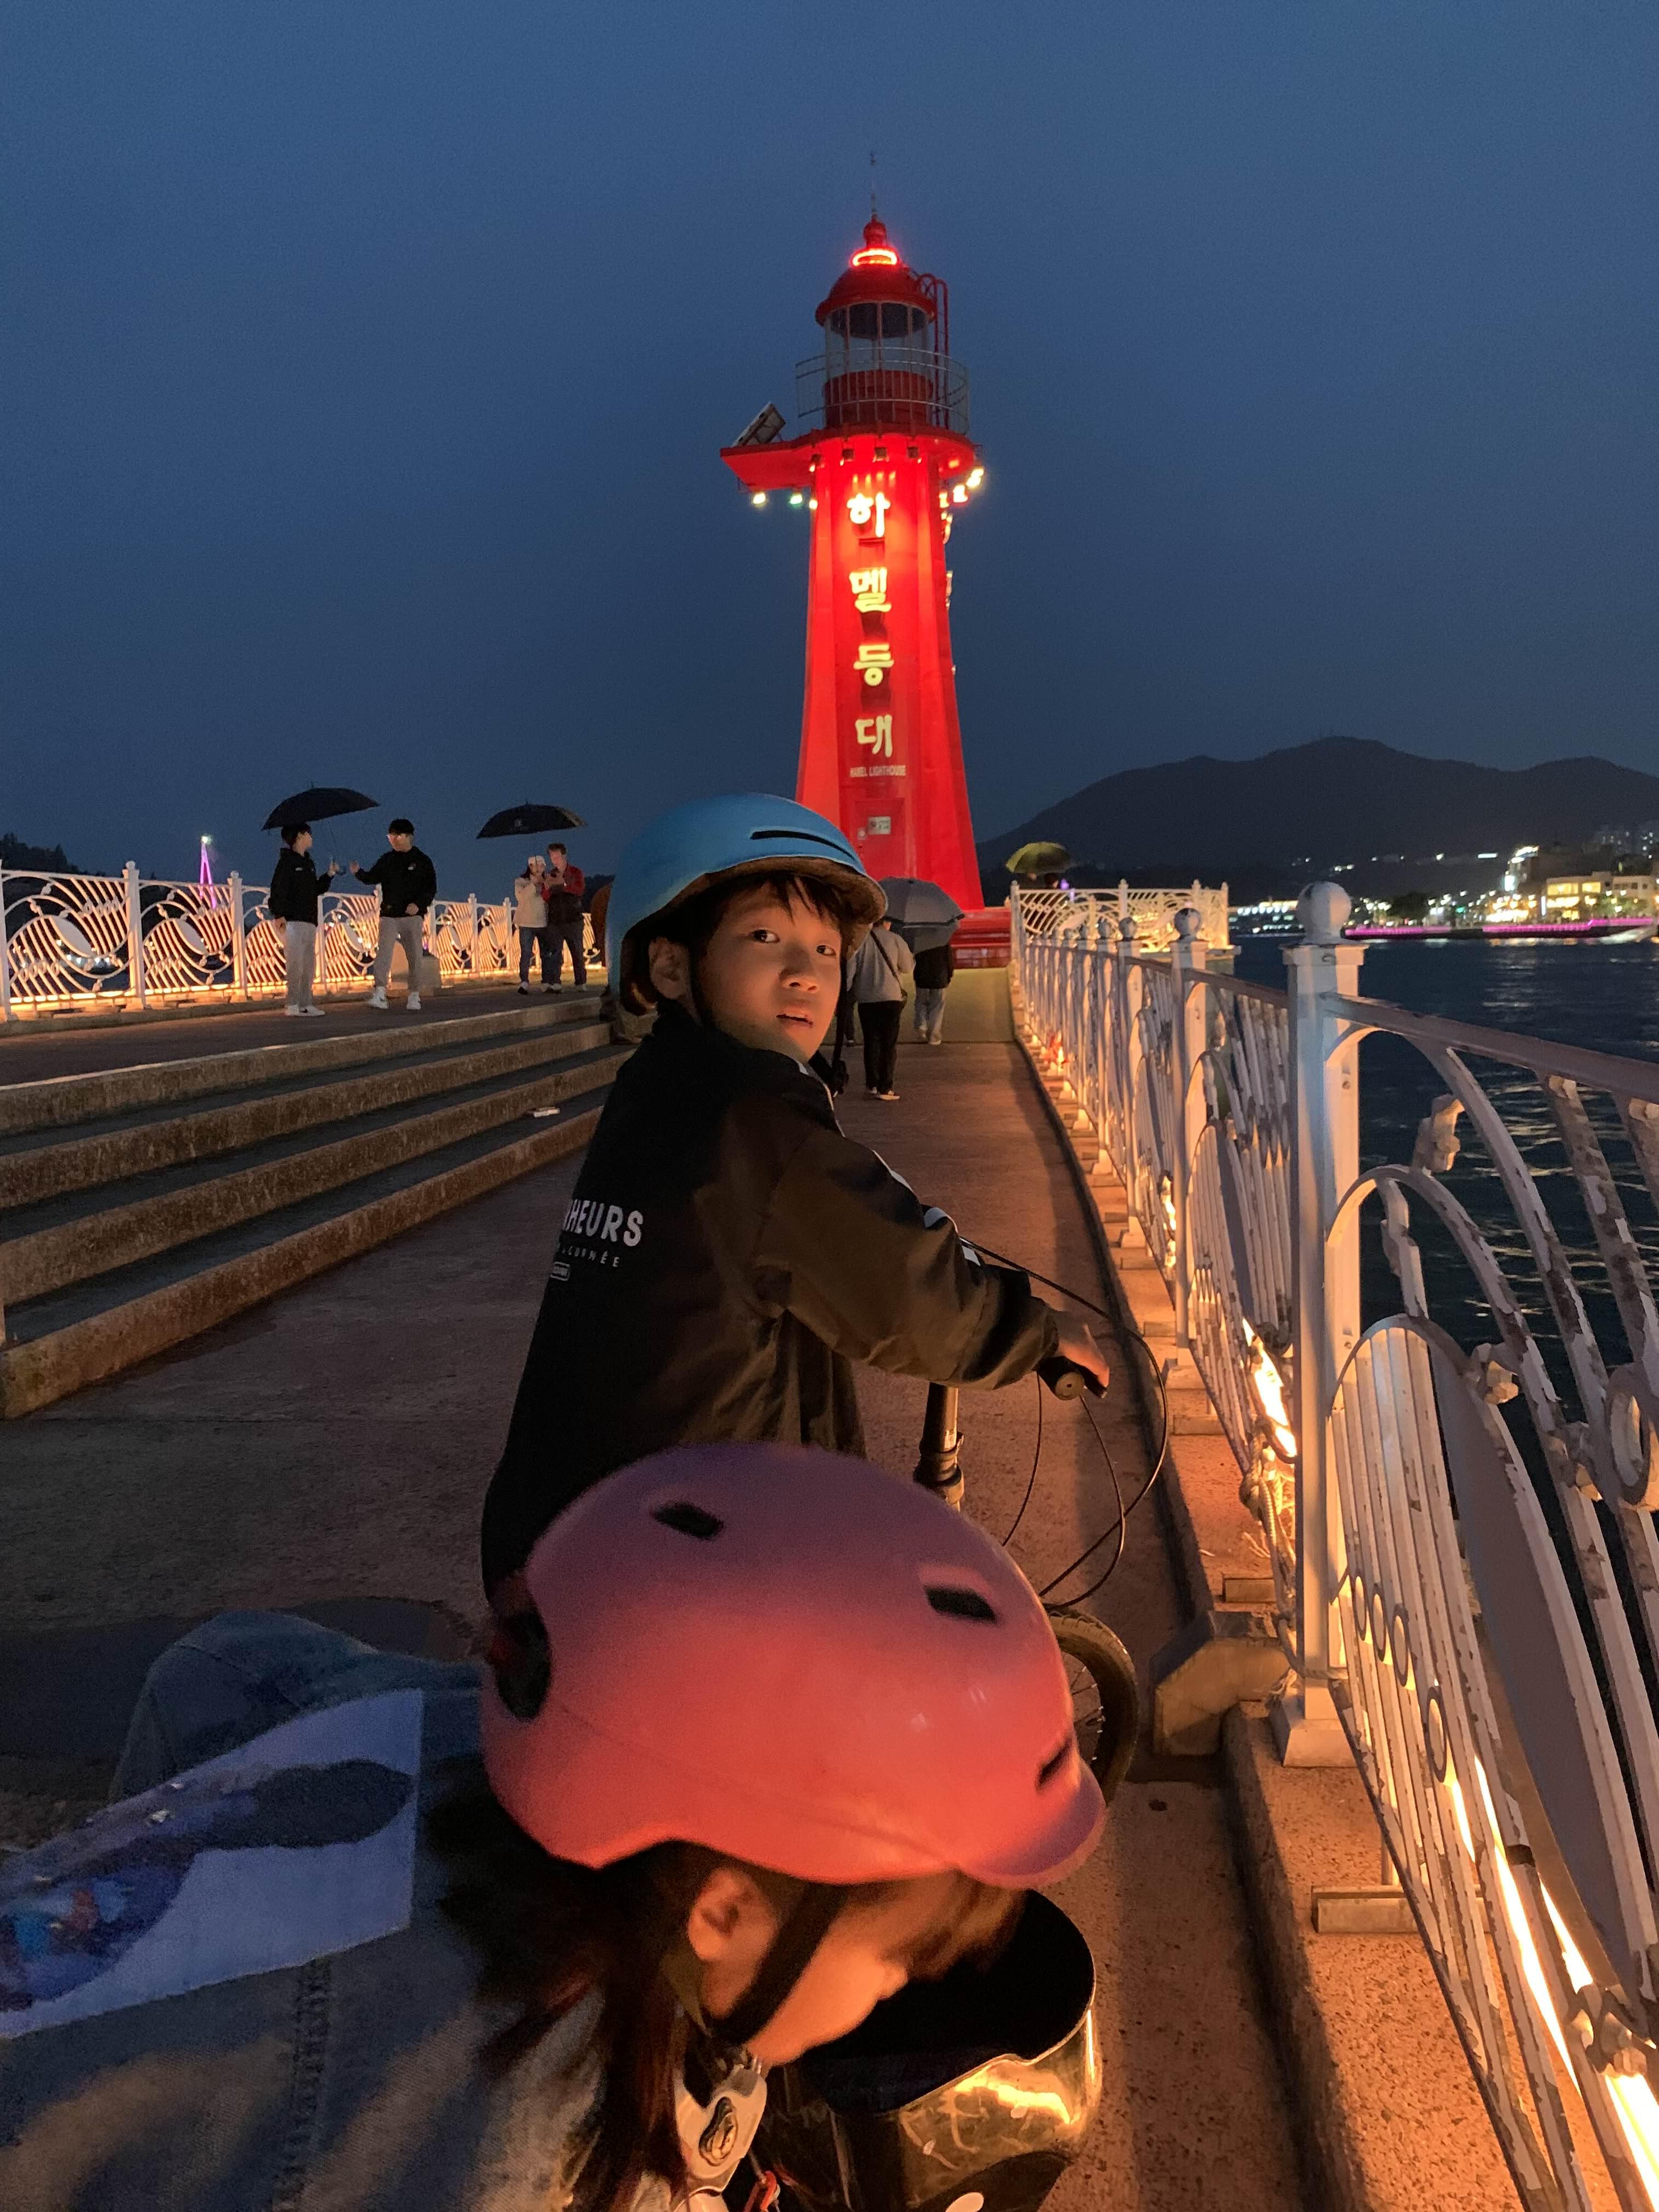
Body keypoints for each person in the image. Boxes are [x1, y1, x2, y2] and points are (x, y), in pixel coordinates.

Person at [0, 1444, 1109, 2212]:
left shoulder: (445, 1726)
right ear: (722, 1910)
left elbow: (211, 1667)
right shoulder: (513, 2149)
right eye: (898, 1964)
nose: (892, 1996)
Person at [481, 792, 1109, 1593]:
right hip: (692, 1567)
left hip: (568, 1533)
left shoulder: (656, 1090)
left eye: (825, 949)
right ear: (669, 966)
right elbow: (904, 1289)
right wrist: (1037, 1331)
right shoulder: (754, 1118)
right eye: (764, 938)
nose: (805, 973)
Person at [350, 817, 437, 1013]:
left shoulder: (422, 861)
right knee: (384, 954)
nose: (393, 840)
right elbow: (372, 877)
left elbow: (431, 888)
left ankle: (414, 995)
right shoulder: (388, 860)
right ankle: (380, 993)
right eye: (390, 836)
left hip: (412, 916)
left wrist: (419, 905)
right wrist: (358, 873)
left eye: (397, 836)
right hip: (389, 914)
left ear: (408, 837)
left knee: (415, 956)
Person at [266, 822, 338, 1016]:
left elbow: (315, 889)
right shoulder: (287, 862)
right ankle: (292, 1004)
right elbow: (278, 889)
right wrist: (279, 914)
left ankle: (306, 1003)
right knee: (295, 964)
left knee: (308, 965)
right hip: (293, 920)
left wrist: (329, 875)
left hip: (309, 919)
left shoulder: (308, 863)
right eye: (309, 834)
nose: (312, 838)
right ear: (299, 836)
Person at [849, 912, 914, 1099]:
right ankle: (886, 1087)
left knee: (871, 1042)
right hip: (891, 998)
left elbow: (850, 971)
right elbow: (908, 967)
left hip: (867, 999)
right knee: (889, 1044)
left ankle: (872, 1084)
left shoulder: (860, 942)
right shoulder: (896, 940)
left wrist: (845, 992)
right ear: (887, 922)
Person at [541, 840, 587, 993]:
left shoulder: (575, 872)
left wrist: (565, 884)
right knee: (555, 952)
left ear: (564, 855)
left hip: (573, 919)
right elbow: (545, 897)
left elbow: (579, 890)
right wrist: (547, 887)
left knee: (577, 952)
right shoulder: (551, 875)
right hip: (555, 920)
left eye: (557, 856)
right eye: (552, 857)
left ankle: (580, 981)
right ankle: (556, 982)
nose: (554, 860)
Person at [512, 853, 550, 993]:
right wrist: (533, 884)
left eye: (542, 866)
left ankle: (546, 981)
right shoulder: (521, 881)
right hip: (526, 923)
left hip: (544, 922)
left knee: (546, 954)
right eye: (537, 865)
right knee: (526, 953)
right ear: (531, 866)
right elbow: (521, 897)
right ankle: (524, 982)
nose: (539, 868)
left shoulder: (548, 881)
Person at [912, 934, 957, 1046]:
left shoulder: (920, 939)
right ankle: (933, 1036)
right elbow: (949, 959)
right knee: (937, 1007)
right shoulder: (944, 940)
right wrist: (950, 974)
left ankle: (922, 1026)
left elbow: (915, 957)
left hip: (922, 975)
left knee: (921, 1002)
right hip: (940, 977)